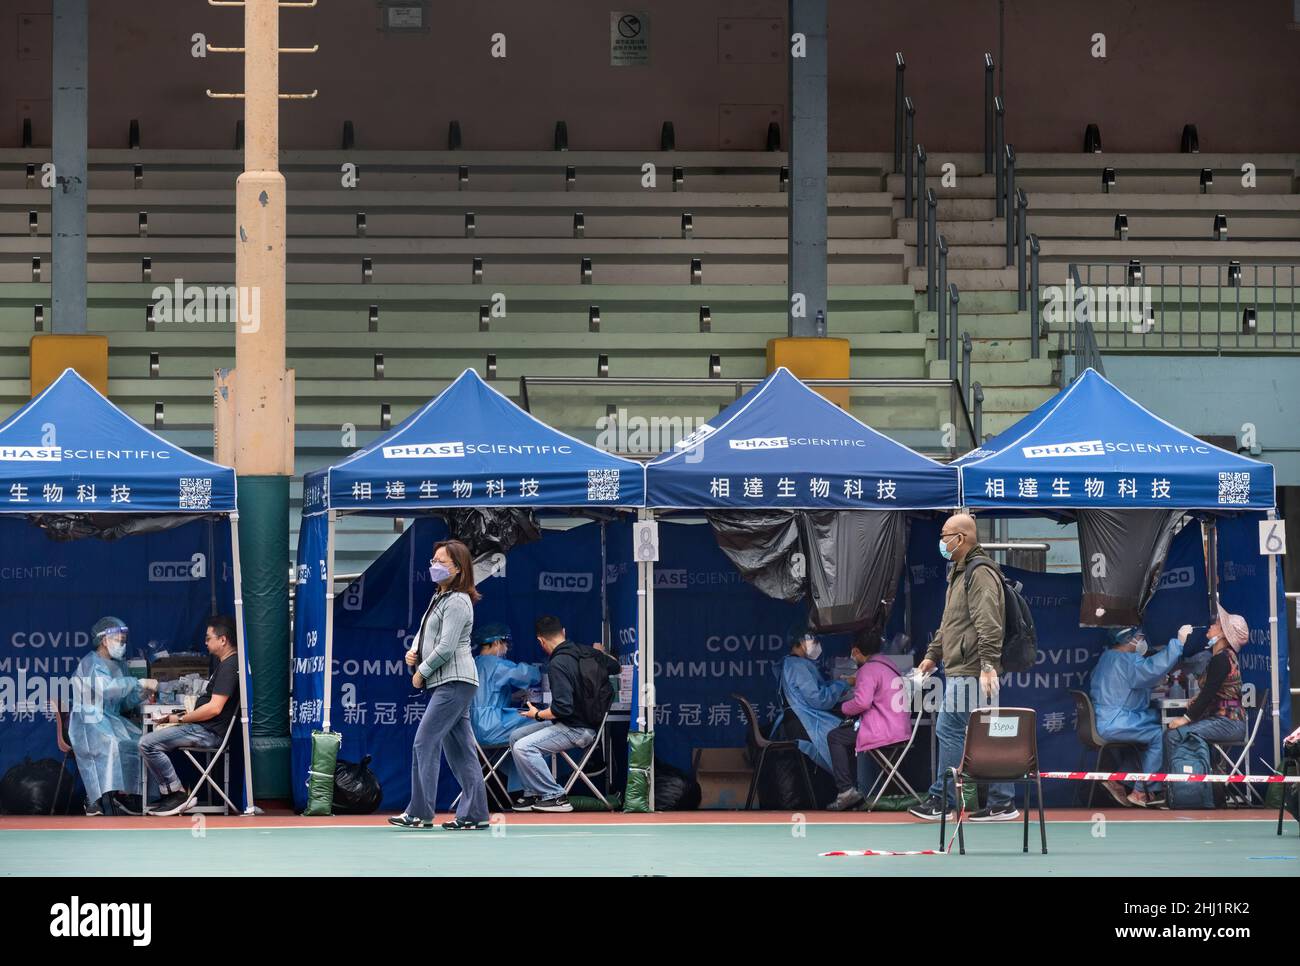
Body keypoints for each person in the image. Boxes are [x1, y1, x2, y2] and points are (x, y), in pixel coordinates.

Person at [908, 513, 1020, 823]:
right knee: (984, 735)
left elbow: (989, 624)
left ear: (962, 538)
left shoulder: (979, 573)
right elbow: (951, 623)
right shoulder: (959, 573)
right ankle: (1002, 801)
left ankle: (943, 799)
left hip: (972, 670)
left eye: (945, 535)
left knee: (949, 728)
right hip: (963, 668)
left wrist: (986, 665)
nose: (941, 541)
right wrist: (932, 655)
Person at [389, 539, 490, 830]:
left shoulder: (457, 601)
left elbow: (446, 647)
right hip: (450, 681)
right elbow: (428, 637)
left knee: (424, 742)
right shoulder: (440, 598)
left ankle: (420, 812)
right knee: (460, 750)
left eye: (440, 562)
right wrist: (414, 651)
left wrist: (421, 670)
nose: (433, 566)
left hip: (454, 681)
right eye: (432, 561)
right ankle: (475, 814)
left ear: (458, 569)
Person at [508, 615, 619, 812]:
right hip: (579, 724)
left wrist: (537, 714)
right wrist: (601, 653)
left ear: (540, 641)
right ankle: (532, 793)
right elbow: (615, 666)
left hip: (577, 730)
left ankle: (555, 796)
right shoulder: (587, 652)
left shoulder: (557, 664)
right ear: (564, 632)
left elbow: (562, 708)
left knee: (524, 748)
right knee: (515, 737)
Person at [139, 615, 240, 817]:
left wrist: (180, 719)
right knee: (153, 737)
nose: (205, 642)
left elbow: (214, 709)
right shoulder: (225, 664)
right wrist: (175, 717)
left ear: (223, 640)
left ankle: (177, 794)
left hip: (208, 732)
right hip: (204, 727)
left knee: (147, 743)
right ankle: (171, 793)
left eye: (208, 637)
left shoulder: (229, 667)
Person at [1090, 625, 1191, 807]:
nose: (1143, 640)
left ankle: (1119, 780)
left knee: (1144, 738)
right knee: (1160, 735)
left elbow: (1125, 684)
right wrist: (1178, 643)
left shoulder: (1107, 658)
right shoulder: (1127, 661)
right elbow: (1152, 668)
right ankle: (1141, 792)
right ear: (1129, 639)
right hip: (1116, 722)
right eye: (1140, 636)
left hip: (1104, 719)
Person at [69, 617, 158, 816]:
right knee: (112, 744)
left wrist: (142, 693)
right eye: (119, 640)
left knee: (142, 742)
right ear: (104, 640)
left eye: (124, 640)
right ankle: (96, 798)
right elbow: (107, 690)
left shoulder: (119, 666)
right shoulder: (91, 663)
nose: (122, 644)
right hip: (90, 721)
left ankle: (132, 797)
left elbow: (122, 702)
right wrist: (138, 683)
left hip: (110, 719)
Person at [825, 636, 912, 811]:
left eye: (853, 652)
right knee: (846, 736)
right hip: (900, 729)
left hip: (884, 730)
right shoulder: (888, 665)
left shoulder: (868, 669)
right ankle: (852, 790)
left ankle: (846, 792)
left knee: (835, 737)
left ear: (856, 651)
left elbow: (862, 703)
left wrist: (843, 708)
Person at [1164, 605, 1251, 774]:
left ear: (1223, 635)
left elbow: (1208, 693)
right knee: (1178, 733)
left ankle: (1184, 787)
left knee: (1174, 735)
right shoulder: (1221, 657)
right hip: (1226, 721)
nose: (1211, 625)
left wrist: (1185, 719)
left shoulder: (1222, 660)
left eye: (1217, 624)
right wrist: (1198, 699)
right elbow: (1212, 692)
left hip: (1229, 723)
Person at [779, 630, 851, 778]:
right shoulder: (798, 666)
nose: (816, 645)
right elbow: (819, 699)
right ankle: (848, 787)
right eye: (812, 641)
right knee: (844, 737)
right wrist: (843, 684)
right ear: (800, 642)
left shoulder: (792, 663)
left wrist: (837, 685)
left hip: (798, 721)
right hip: (805, 724)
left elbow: (816, 688)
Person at [470, 622, 542, 747]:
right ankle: (530, 766)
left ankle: (506, 767)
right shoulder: (496, 664)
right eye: (506, 644)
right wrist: (543, 669)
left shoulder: (474, 663)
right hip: (491, 727)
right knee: (542, 721)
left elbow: (485, 697)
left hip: (472, 729)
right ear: (497, 642)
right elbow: (525, 674)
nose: (506, 649)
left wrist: (513, 696)